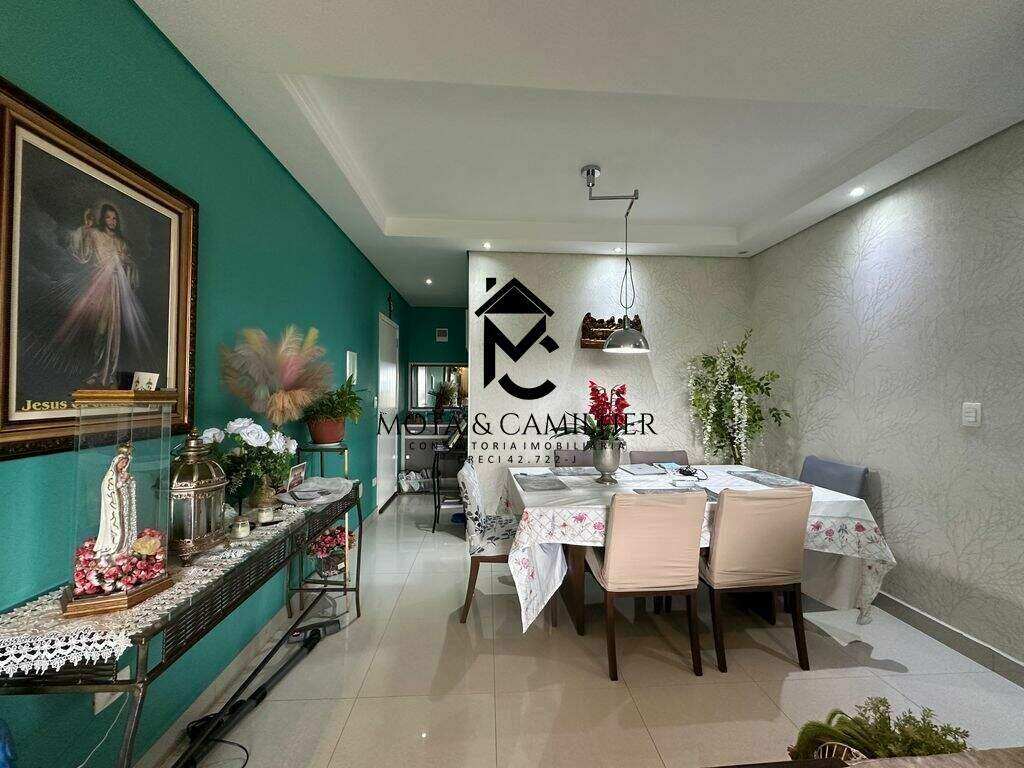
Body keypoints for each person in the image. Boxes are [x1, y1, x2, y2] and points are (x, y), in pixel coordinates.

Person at [57, 203, 151, 385]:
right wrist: (86, 227)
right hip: (99, 286)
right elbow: (80, 248)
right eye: (108, 217)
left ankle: (109, 373)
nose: (112, 221)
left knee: (112, 332)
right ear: (103, 219)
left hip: (116, 288)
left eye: (115, 218)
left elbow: (131, 268)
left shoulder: (122, 243)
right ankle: (96, 371)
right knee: (100, 331)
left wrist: (126, 262)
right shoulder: (95, 234)